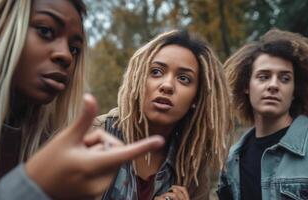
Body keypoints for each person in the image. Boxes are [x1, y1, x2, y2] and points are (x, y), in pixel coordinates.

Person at [0, 0, 165, 199]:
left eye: (74, 49)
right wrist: (35, 184)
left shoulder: (53, 140)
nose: (66, 56)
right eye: (45, 31)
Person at [94, 30, 232, 200]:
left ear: (197, 97)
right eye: (156, 72)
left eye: (184, 79)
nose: (167, 85)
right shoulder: (96, 136)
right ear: (138, 80)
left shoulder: (191, 164)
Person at [218, 28, 308, 200]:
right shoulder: (232, 161)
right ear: (246, 86)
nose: (273, 85)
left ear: (295, 90)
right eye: (263, 76)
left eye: (285, 78)